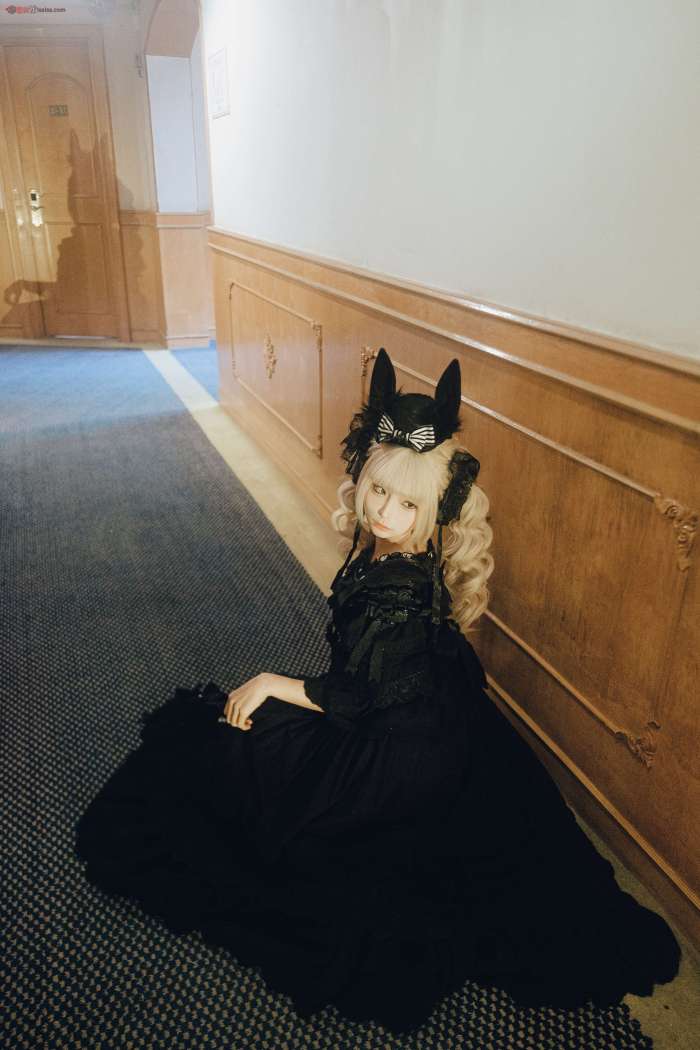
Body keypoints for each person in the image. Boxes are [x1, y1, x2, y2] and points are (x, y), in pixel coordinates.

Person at [75, 349, 680, 1033]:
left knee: (228, 771)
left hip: (397, 751)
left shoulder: (397, 590)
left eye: (409, 502)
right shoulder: (401, 556)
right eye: (378, 491)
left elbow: (356, 696)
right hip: (426, 716)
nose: (386, 513)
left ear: (439, 505)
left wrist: (271, 682)